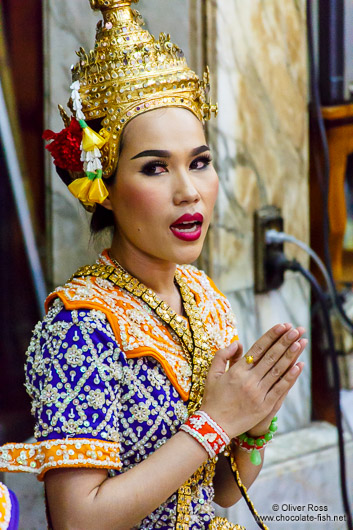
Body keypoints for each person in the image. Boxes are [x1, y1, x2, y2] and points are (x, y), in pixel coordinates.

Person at [0, 1, 307, 528]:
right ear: (106, 191)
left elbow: (224, 491)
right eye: (155, 168)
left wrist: (255, 417)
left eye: (200, 162)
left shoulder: (202, 296)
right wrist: (215, 420)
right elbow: (77, 521)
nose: (189, 192)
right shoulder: (82, 326)